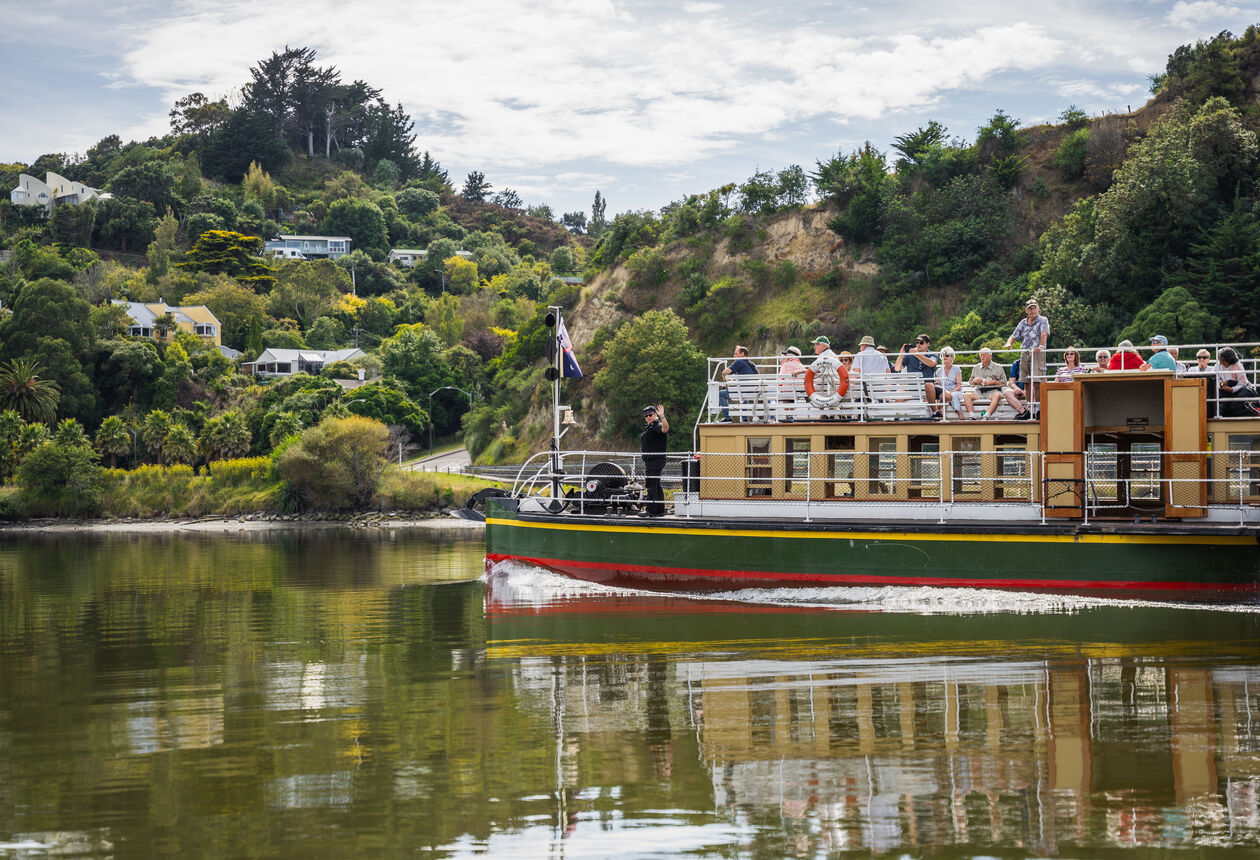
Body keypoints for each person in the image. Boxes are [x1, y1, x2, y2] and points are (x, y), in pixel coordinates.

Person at [1005, 298, 1049, 416]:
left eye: (1034, 308)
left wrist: (1040, 346)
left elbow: (1044, 334)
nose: (1032, 310)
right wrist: (1009, 343)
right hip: (1025, 352)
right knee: (1026, 382)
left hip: (1038, 353)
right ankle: (1030, 408)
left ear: (1038, 308)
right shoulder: (1023, 322)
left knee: (1037, 382)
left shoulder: (1043, 320)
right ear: (1026, 310)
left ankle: (1039, 408)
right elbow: (1013, 335)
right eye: (1030, 308)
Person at [963, 348, 1021, 418]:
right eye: (981, 355)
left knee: (997, 396)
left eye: (984, 355)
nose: (982, 357)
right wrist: (974, 381)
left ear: (990, 356)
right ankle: (971, 416)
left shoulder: (998, 367)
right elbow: (971, 384)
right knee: (966, 395)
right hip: (979, 391)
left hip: (993, 391)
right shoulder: (976, 367)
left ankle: (986, 416)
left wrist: (993, 382)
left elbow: (1004, 383)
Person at [895, 333, 940, 412]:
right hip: (912, 386)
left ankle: (935, 412)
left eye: (921, 342)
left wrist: (917, 355)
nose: (918, 345)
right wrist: (901, 354)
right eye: (917, 342)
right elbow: (897, 368)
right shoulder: (910, 355)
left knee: (929, 385)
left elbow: (932, 363)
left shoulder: (932, 354)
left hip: (927, 388)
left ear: (928, 344)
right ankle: (899, 418)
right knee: (899, 395)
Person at [639, 405, 669, 516]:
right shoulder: (649, 427)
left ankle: (651, 510)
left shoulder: (657, 425)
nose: (648, 417)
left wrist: (662, 416)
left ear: (655, 414)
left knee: (651, 484)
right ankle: (660, 510)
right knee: (656, 484)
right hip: (650, 460)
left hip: (655, 460)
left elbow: (665, 429)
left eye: (650, 415)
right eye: (646, 416)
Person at [1216, 347, 1260, 417]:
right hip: (1224, 390)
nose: (1220, 361)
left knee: (1245, 395)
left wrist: (1232, 389)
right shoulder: (1218, 365)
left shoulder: (1238, 366)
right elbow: (1215, 377)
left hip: (1238, 390)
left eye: (1221, 360)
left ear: (1227, 360)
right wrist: (1221, 384)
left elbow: (1243, 383)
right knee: (1219, 396)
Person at [717, 345, 757, 421]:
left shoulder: (739, 361)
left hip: (743, 391)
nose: (734, 355)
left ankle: (727, 417)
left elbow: (724, 373)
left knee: (721, 394)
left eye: (735, 353)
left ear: (742, 354)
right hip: (752, 391)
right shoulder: (753, 365)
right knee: (744, 392)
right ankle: (745, 418)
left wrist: (727, 386)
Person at [777, 346, 806, 421]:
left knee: (786, 392)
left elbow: (781, 377)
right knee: (791, 394)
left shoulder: (786, 365)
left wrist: (779, 387)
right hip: (799, 390)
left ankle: (788, 416)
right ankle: (791, 414)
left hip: (788, 390)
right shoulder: (801, 365)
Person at [934, 346, 964, 419]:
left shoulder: (957, 369)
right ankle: (942, 418)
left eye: (946, 356)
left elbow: (959, 386)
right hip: (944, 391)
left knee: (952, 395)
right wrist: (944, 392)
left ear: (952, 357)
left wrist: (950, 392)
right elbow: (938, 385)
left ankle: (960, 415)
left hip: (956, 391)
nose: (944, 357)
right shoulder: (939, 371)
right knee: (943, 396)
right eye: (942, 355)